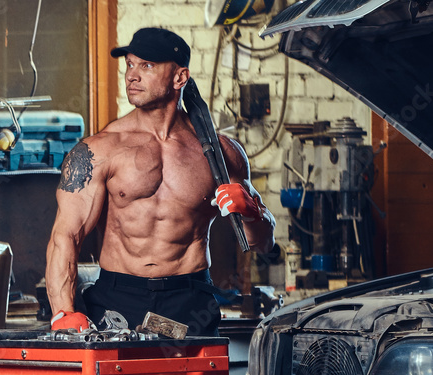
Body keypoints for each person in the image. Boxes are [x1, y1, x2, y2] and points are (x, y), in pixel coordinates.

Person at [45, 26, 276, 336]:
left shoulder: (221, 154)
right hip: (117, 299)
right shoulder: (100, 150)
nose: (131, 76)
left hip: (190, 298)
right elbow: (65, 237)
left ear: (179, 77)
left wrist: (253, 212)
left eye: (147, 65)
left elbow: (263, 244)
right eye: (129, 64)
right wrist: (63, 310)